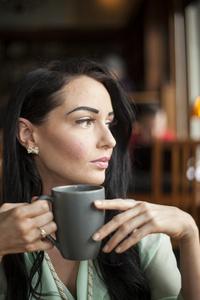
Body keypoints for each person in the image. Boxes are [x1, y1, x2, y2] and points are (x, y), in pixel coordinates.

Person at [0, 58, 199, 300]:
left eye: (109, 123)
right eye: (85, 121)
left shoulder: (141, 232)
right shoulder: (6, 235)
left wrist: (189, 233)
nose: (110, 140)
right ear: (28, 135)